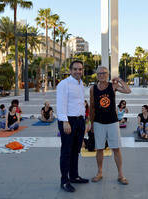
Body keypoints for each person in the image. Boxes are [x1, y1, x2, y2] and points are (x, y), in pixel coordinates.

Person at [90, 66, 131, 185]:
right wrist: (91, 123)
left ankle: (120, 174)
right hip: (98, 122)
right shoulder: (93, 88)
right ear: (97, 75)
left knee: (116, 149)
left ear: (107, 75)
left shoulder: (112, 86)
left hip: (112, 122)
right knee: (99, 149)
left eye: (104, 73)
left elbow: (128, 90)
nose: (101, 75)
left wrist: (119, 80)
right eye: (99, 73)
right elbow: (92, 106)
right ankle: (99, 172)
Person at [57, 60, 89, 193]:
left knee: (76, 150)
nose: (78, 71)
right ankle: (64, 181)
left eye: (80, 69)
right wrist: (65, 121)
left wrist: (84, 120)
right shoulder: (64, 84)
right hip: (68, 121)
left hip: (79, 121)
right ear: (70, 71)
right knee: (66, 152)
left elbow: (80, 103)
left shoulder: (81, 84)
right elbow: (61, 103)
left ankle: (74, 176)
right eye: (75, 69)